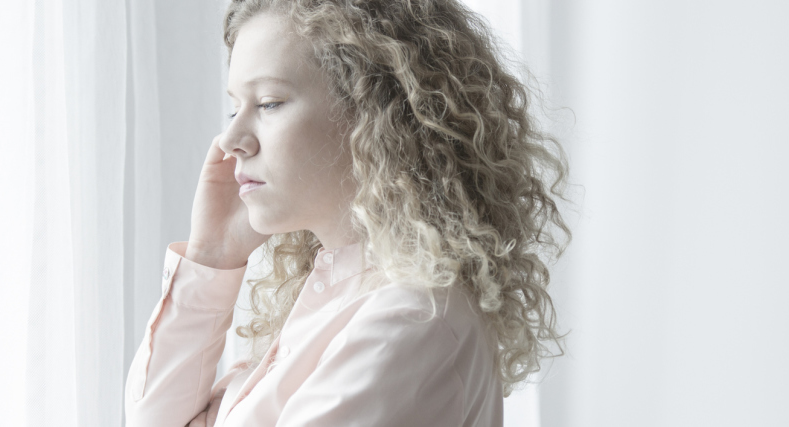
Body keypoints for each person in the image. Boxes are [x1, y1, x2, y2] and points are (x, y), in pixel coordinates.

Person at [124, 0, 569, 425]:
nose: (231, 138)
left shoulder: (411, 320)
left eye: (268, 103)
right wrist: (212, 253)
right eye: (234, 106)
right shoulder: (338, 301)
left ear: (375, 112)